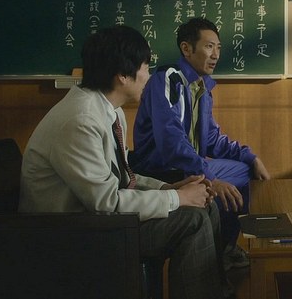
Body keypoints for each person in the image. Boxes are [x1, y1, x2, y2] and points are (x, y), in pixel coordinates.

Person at [18, 25, 226, 299]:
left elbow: (124, 175)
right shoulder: (80, 120)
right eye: (145, 67)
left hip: (98, 221)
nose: (148, 76)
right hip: (72, 233)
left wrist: (167, 188)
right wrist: (178, 198)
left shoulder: (109, 110)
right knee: (193, 220)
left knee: (207, 207)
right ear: (123, 76)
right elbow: (106, 203)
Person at [131, 17, 271, 270]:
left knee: (245, 171)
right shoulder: (167, 79)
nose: (215, 54)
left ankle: (225, 248)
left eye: (218, 47)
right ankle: (216, 254)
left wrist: (251, 157)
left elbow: (212, 140)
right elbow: (171, 142)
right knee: (224, 183)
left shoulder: (201, 86)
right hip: (162, 171)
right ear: (186, 49)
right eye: (208, 46)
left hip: (189, 167)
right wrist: (209, 177)